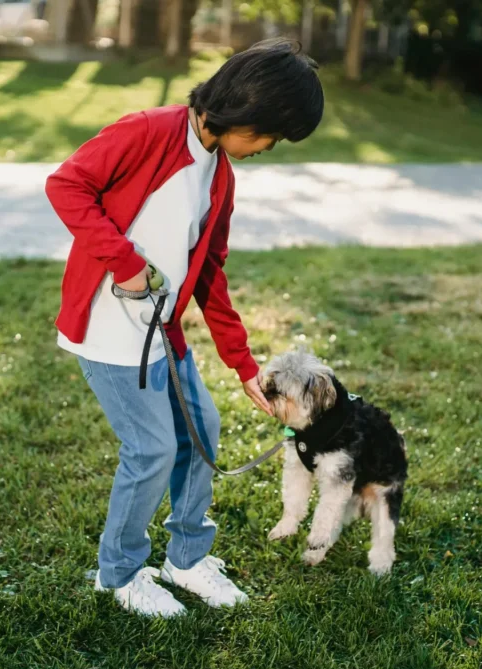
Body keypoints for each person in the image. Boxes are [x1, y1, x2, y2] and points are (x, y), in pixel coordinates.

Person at [45, 39, 324, 617]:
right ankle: (118, 573)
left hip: (161, 332)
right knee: (150, 450)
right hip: (108, 330)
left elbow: (210, 275)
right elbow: (66, 185)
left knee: (200, 431)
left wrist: (243, 364)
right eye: (270, 135)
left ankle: (186, 559)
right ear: (244, 111)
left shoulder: (220, 174)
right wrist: (125, 263)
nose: (267, 148)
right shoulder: (147, 131)